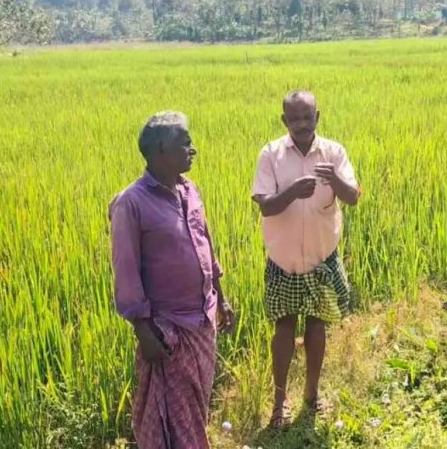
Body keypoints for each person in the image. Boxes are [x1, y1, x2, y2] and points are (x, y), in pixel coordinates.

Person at [109, 111, 234, 449]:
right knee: (174, 417)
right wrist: (142, 329)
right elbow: (126, 269)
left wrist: (220, 297)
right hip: (168, 330)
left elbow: (205, 243)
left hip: (202, 320)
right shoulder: (131, 203)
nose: (192, 149)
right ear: (160, 151)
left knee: (195, 408)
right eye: (185, 143)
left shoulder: (189, 190)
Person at [251, 91, 361, 428]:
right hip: (283, 258)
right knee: (283, 327)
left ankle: (312, 397)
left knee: (317, 325)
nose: (301, 124)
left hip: (322, 257)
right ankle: (279, 403)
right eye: (294, 118)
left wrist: (335, 179)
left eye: (307, 117)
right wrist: (292, 192)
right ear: (284, 120)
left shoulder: (333, 152)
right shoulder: (271, 154)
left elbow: (353, 197)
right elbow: (266, 205)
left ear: (318, 116)